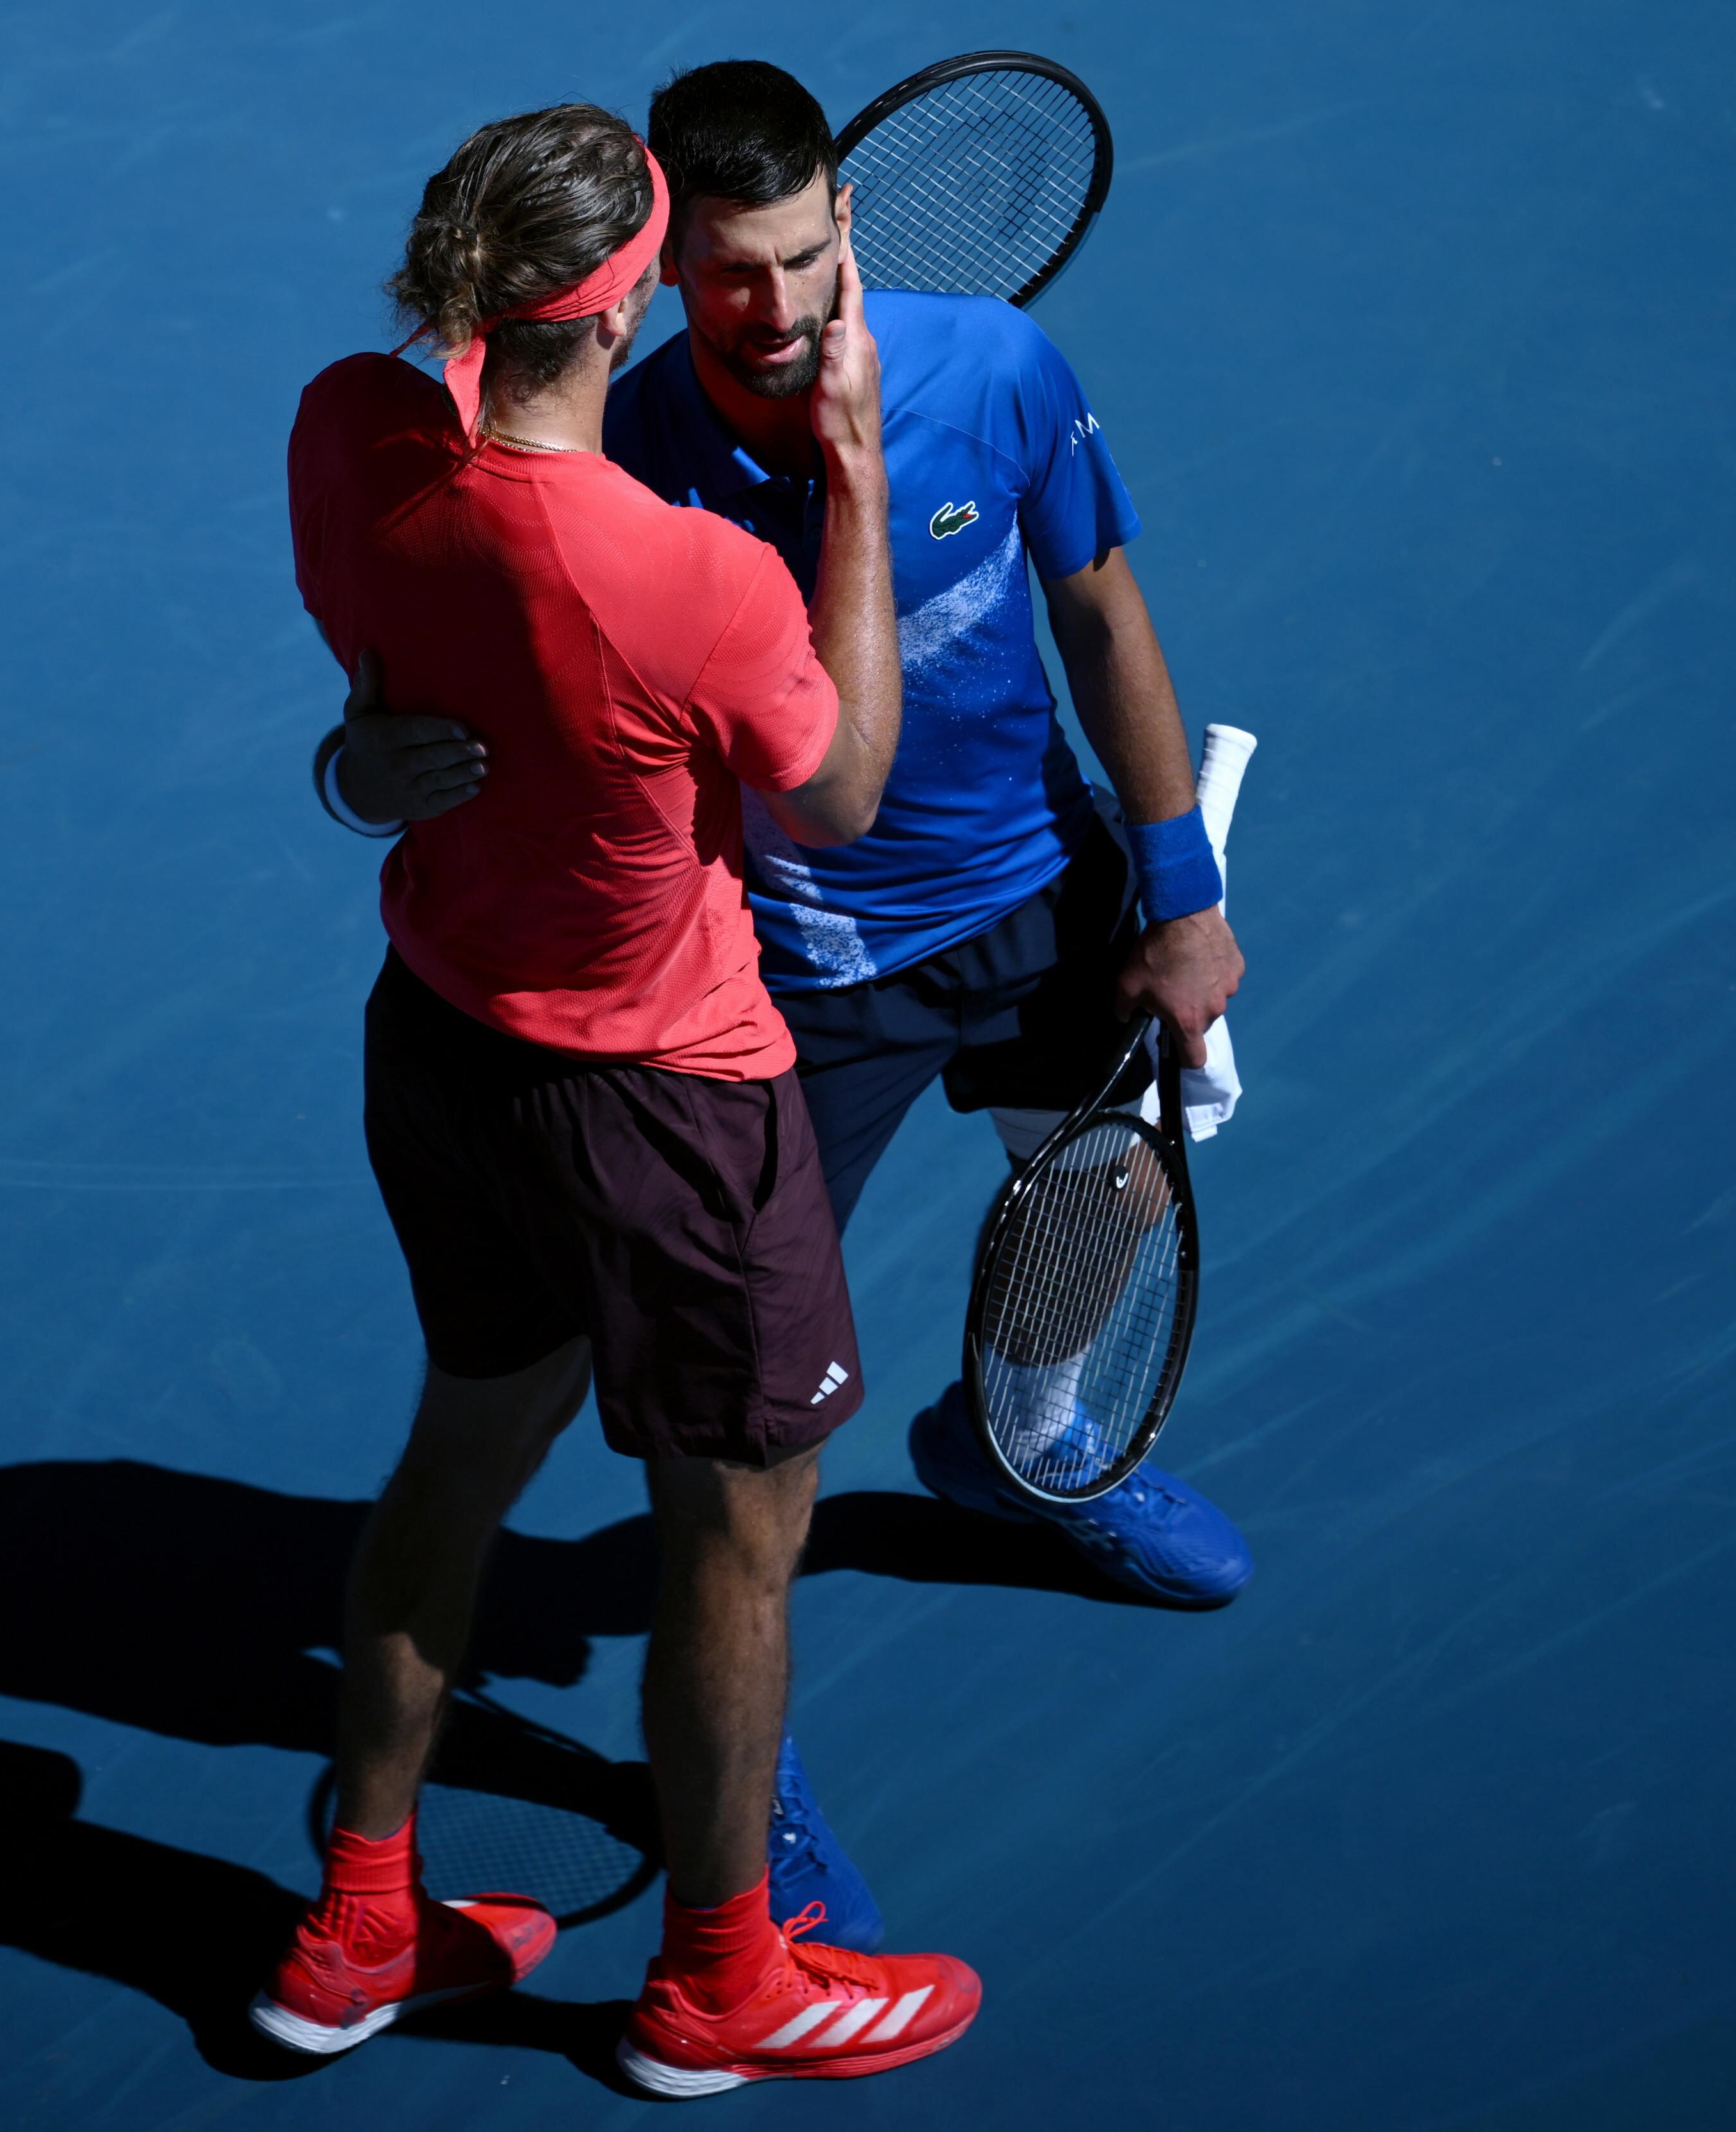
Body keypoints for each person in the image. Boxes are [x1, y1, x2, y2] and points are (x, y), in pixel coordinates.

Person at [325, 58, 1254, 1940]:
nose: (783, 307)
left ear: (850, 219)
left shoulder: (997, 373)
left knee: (1121, 1172)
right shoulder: (628, 464)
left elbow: (1103, 615)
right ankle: (735, 1766)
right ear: (668, 273)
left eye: (811, 253)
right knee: (729, 1446)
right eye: (734, 273)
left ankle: (1019, 1439)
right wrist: (366, 761)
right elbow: (500, 688)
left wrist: (1180, 890)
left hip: (1043, 894)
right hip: (795, 973)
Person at [264, 99, 981, 2097]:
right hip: (671, 1106)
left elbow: (386, 679)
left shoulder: (344, 429)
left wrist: (359, 760)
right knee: (732, 1545)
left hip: (444, 1053)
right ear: (632, 298)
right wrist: (847, 472)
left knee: (456, 1466)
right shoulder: (688, 580)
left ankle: (358, 1926)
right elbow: (836, 790)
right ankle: (722, 1985)